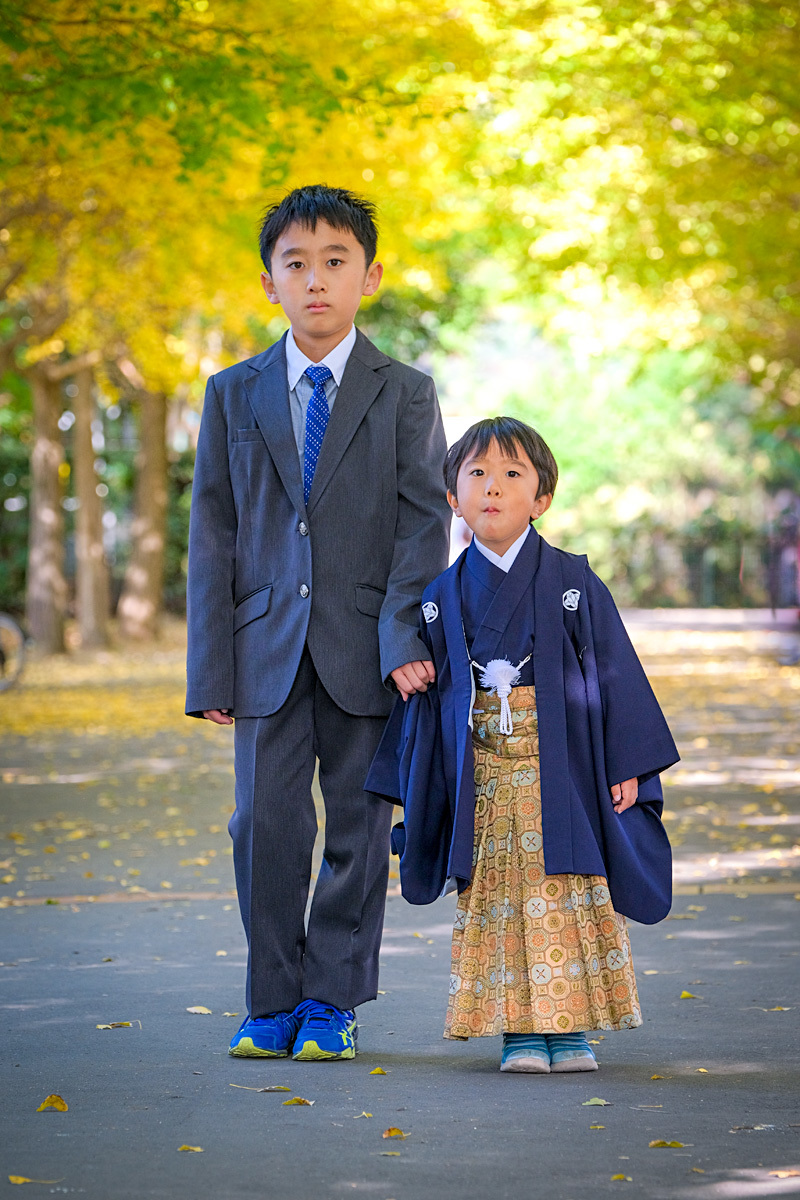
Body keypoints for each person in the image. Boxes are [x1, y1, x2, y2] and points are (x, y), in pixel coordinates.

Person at [185, 185, 450, 1062]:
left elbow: (423, 523)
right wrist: (209, 670)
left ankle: (331, 1001)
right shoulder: (233, 393)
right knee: (262, 825)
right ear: (269, 283)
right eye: (295, 264)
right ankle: (270, 1001)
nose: (316, 281)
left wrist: (404, 635)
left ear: (368, 277)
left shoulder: (405, 394)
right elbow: (213, 532)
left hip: (367, 648)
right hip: (261, 649)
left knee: (357, 828)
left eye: (335, 262)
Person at [367, 416, 679, 1073]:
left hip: (563, 766)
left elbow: (614, 669)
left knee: (568, 888)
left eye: (513, 475)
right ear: (452, 497)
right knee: (501, 896)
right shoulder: (439, 597)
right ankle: (519, 1032)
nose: (493, 488)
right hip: (483, 774)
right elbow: (435, 697)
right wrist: (415, 677)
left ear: (542, 498)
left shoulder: (572, 583)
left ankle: (571, 1032)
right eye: (476, 474)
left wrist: (629, 763)